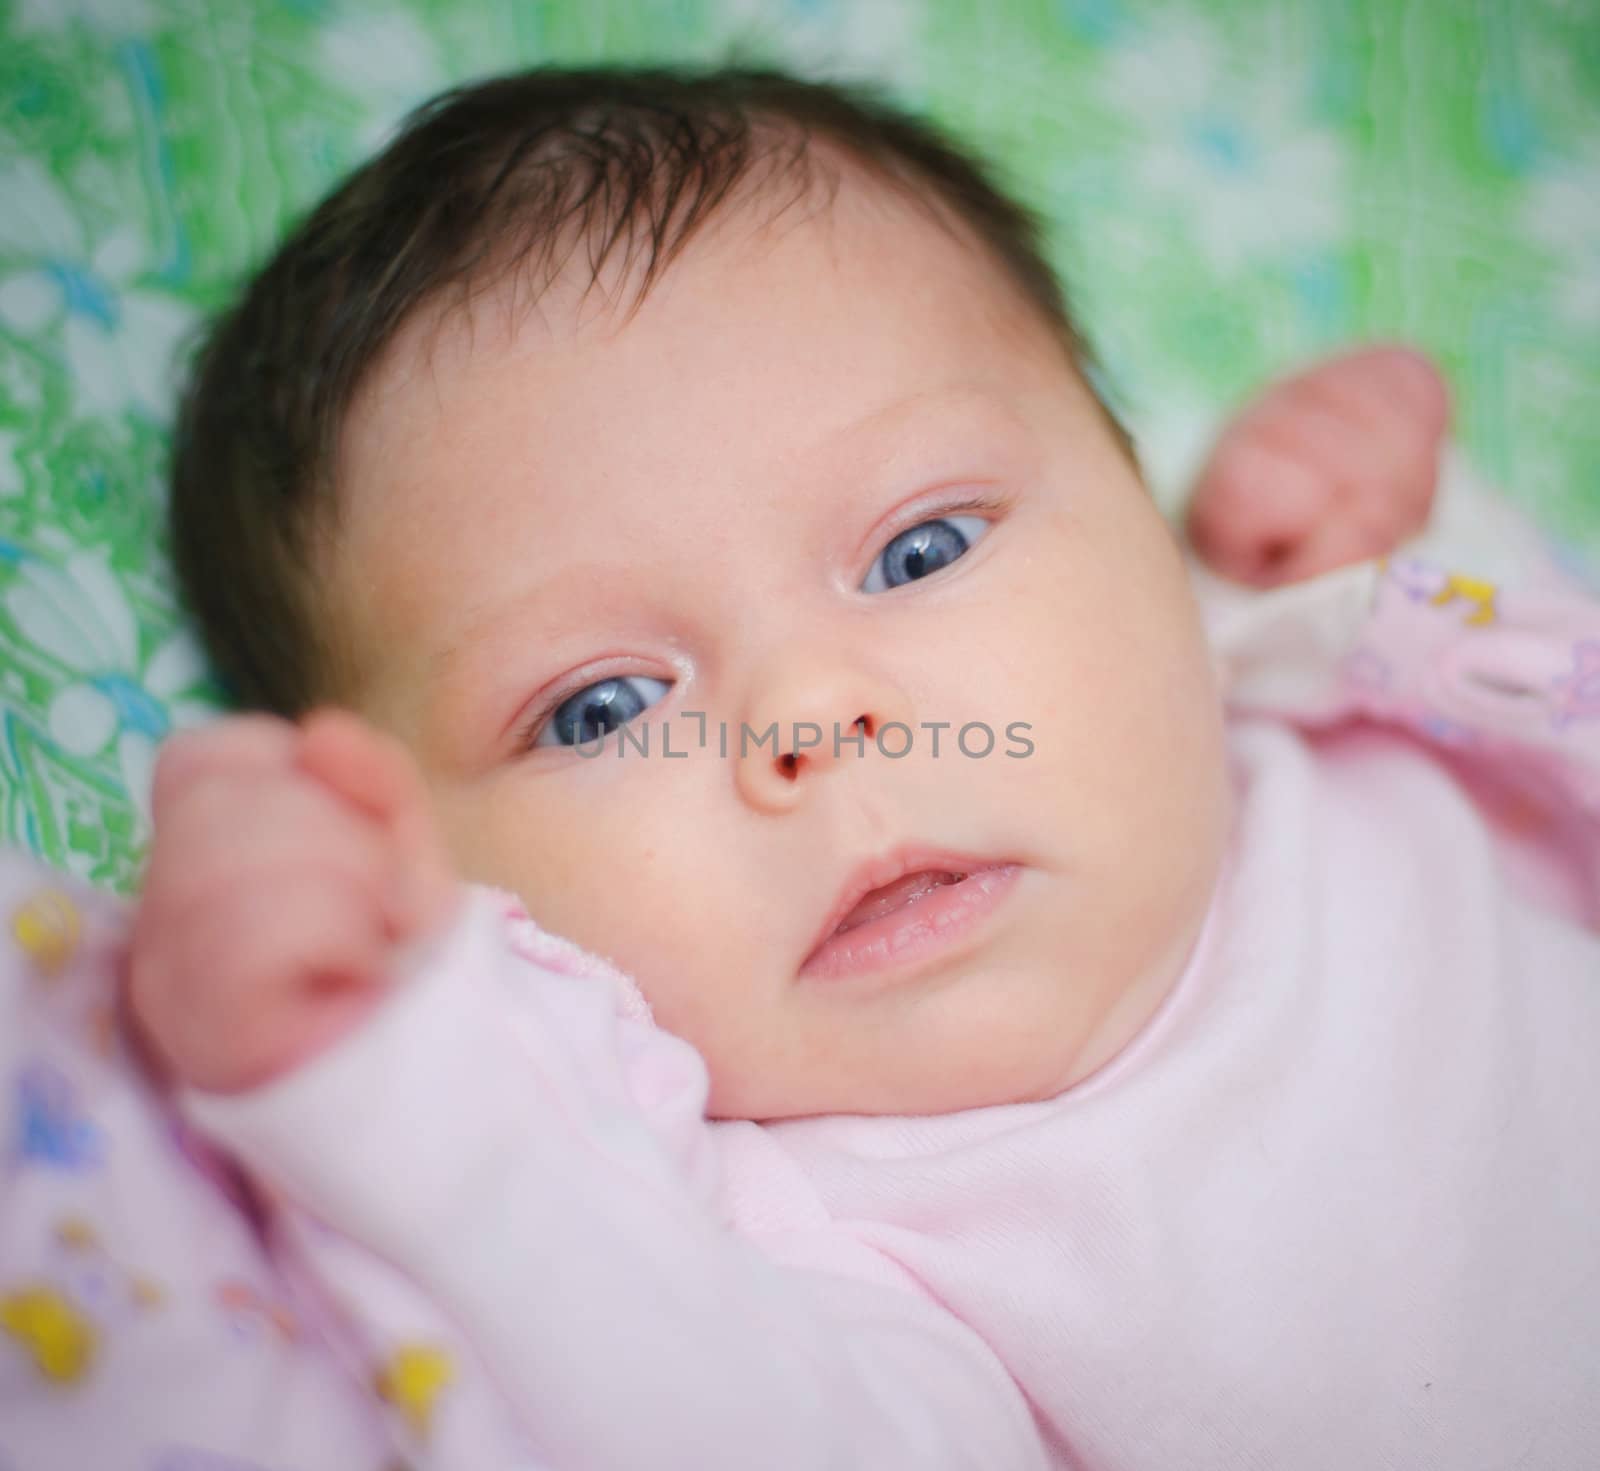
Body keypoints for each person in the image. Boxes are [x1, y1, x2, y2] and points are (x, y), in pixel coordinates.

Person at [2, 64, 1596, 1470]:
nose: (812, 719)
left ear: (1139, 509)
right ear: (423, 843)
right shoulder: (780, 1245)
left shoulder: (1338, 707)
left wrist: (1383, 518)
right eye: (601, 706)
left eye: (918, 549)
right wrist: (370, 1070)